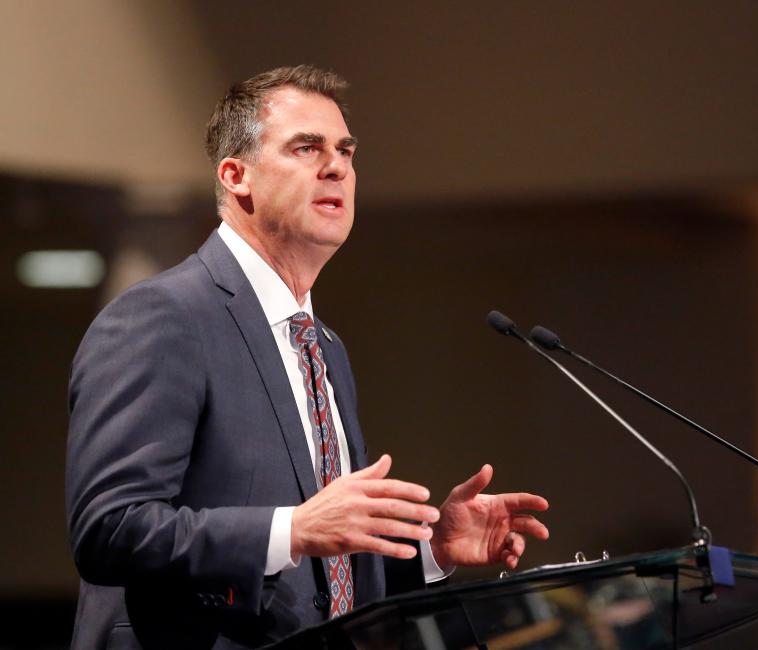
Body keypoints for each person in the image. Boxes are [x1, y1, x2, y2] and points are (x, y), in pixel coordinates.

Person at [66, 64, 549, 649]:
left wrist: (430, 548)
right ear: (235, 175)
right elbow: (110, 529)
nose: (337, 166)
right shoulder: (162, 317)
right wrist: (292, 528)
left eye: (346, 151)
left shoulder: (322, 345)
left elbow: (320, 577)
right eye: (306, 147)